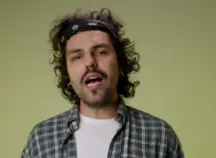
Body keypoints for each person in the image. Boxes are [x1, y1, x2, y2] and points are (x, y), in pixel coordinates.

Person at [21, 8, 184, 158]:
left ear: (120, 63)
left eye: (101, 52)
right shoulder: (41, 139)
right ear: (67, 74)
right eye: (77, 57)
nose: (90, 62)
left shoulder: (160, 135)